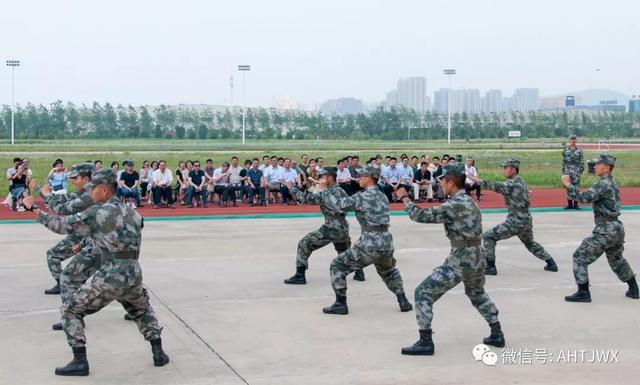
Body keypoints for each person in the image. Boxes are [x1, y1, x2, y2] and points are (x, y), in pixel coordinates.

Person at [23, 169, 169, 376]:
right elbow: (114, 235)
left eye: (93, 190)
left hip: (112, 271)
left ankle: (80, 361)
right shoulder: (133, 213)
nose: (90, 194)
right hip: (133, 270)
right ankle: (158, 353)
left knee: (70, 310)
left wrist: (33, 210)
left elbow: (62, 226)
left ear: (103, 190)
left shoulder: (97, 212)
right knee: (141, 310)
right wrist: (85, 244)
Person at [396, 163, 504, 356]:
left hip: (461, 259)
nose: (441, 185)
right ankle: (497, 332)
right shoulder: (470, 201)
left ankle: (425, 341)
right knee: (477, 294)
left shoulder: (454, 204)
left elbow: (420, 216)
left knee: (423, 293)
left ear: (451, 183)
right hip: (477, 256)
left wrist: (405, 198)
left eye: (443, 181)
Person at [320, 166, 412, 315]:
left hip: (370, 242)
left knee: (337, 266)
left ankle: (340, 304)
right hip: (386, 242)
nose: (359, 178)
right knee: (388, 271)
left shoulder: (362, 196)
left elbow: (338, 206)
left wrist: (324, 190)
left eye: (361, 175)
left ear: (369, 177)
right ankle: (403, 300)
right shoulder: (382, 196)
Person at [561, 154, 638, 302]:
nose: (595, 166)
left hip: (606, 228)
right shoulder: (612, 183)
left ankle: (583, 292)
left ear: (607, 167)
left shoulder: (603, 183)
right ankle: (634, 289)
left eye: (598, 164)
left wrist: (568, 185)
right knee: (616, 259)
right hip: (616, 227)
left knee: (580, 256)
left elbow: (584, 198)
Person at [469, 159, 558, 275]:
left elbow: (496, 186)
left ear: (512, 169)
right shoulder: (522, 181)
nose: (504, 170)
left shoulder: (513, 184)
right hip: (525, 218)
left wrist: (476, 180)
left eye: (505, 168)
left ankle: (490, 267)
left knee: (489, 237)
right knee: (529, 242)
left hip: (516, 220)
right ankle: (551, 263)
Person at [282, 167, 365, 285]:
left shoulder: (328, 191)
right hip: (342, 227)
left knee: (304, 243)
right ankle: (359, 272)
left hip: (331, 226)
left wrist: (291, 188)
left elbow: (308, 199)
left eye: (323, 177)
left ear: (330, 178)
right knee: (343, 250)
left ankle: (300, 275)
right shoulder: (340, 190)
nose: (320, 179)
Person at [37, 163, 96, 296]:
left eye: (76, 178)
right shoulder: (84, 193)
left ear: (86, 179)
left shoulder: (89, 196)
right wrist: (39, 189)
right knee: (53, 254)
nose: (73, 181)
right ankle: (61, 283)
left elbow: (60, 209)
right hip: (83, 234)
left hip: (90, 237)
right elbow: (60, 200)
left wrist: (44, 197)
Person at [562, 134, 584, 210]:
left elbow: (581, 162)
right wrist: (564, 172)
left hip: (576, 171)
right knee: (568, 187)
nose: (573, 140)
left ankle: (576, 204)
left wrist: (580, 172)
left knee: (576, 187)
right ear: (569, 140)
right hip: (567, 171)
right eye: (571, 139)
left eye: (574, 139)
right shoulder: (565, 150)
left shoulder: (579, 151)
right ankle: (570, 204)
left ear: (576, 140)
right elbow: (564, 161)